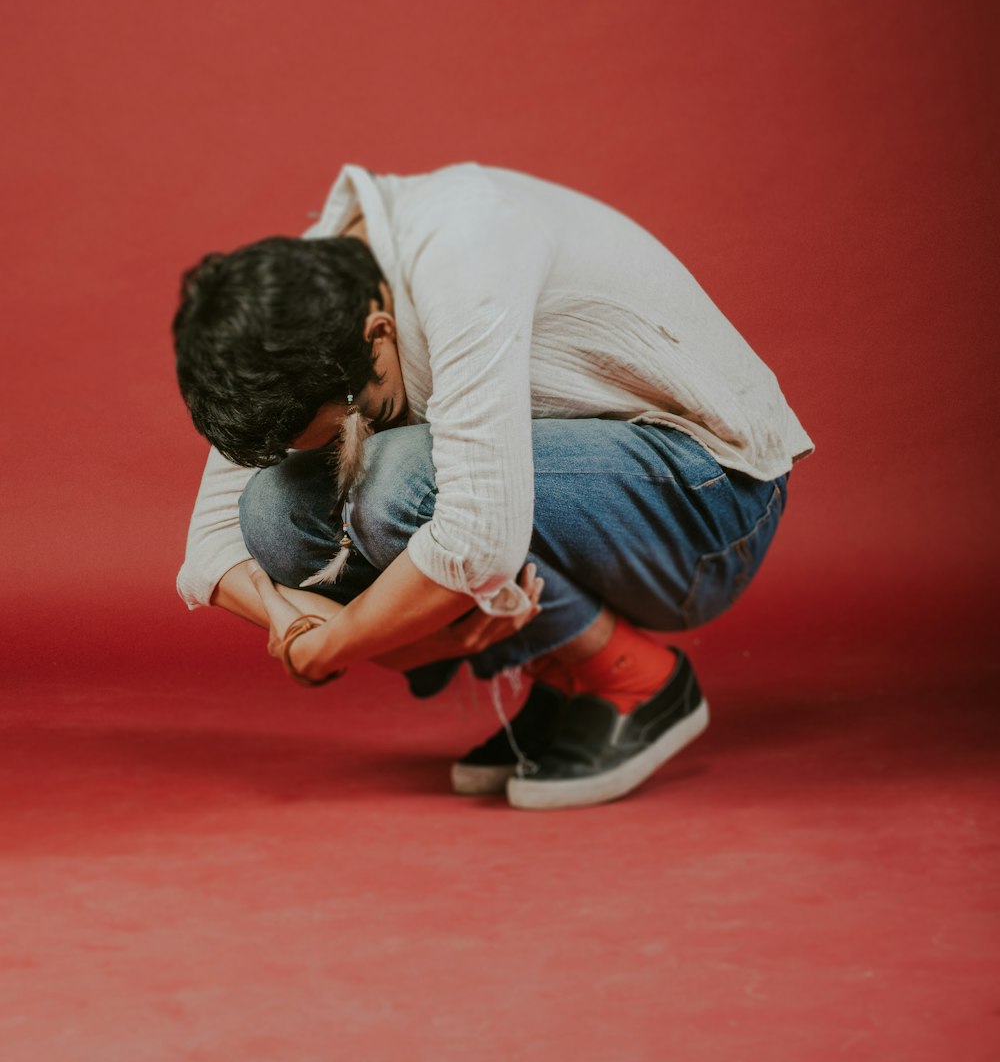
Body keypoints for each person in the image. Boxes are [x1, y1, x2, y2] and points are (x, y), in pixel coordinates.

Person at [172, 161, 814, 809]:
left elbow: (480, 536)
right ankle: (565, 673)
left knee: (394, 482)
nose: (356, 437)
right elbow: (213, 542)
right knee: (277, 510)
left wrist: (337, 644)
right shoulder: (284, 315)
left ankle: (636, 681)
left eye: (360, 416)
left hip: (711, 501)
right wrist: (297, 623)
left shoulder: (464, 244)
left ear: (378, 331)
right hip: (580, 494)